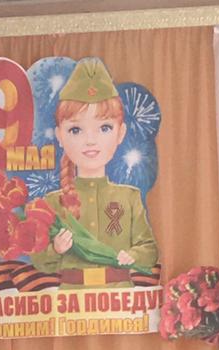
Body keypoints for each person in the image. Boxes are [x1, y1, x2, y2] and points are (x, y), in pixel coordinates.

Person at [30, 58, 158, 278]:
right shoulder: (52, 203)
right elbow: (38, 259)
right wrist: (55, 249)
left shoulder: (129, 198)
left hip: (120, 294)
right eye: (76, 130)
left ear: (121, 133)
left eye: (104, 128)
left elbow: (149, 248)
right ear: (60, 136)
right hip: (69, 296)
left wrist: (133, 255)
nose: (90, 141)